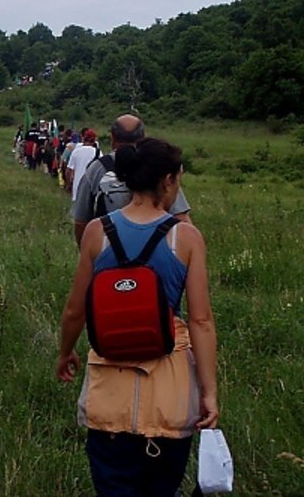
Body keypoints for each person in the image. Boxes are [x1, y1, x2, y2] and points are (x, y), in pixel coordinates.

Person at [56, 138, 219, 496]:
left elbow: (75, 310)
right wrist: (209, 392)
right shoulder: (186, 238)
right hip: (170, 395)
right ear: (168, 181)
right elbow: (201, 321)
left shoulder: (97, 232)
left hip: (108, 395)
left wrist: (65, 352)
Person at [72, 114, 191, 248]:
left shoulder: (97, 168)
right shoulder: (157, 166)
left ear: (112, 138)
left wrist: (88, 253)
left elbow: (80, 221)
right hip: (155, 249)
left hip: (108, 249)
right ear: (144, 138)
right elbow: (181, 217)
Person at [66, 129, 101, 201]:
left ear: (83, 139)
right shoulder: (98, 153)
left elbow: (68, 171)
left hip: (77, 187)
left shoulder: (76, 151)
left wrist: (68, 185)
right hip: (91, 188)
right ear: (94, 140)